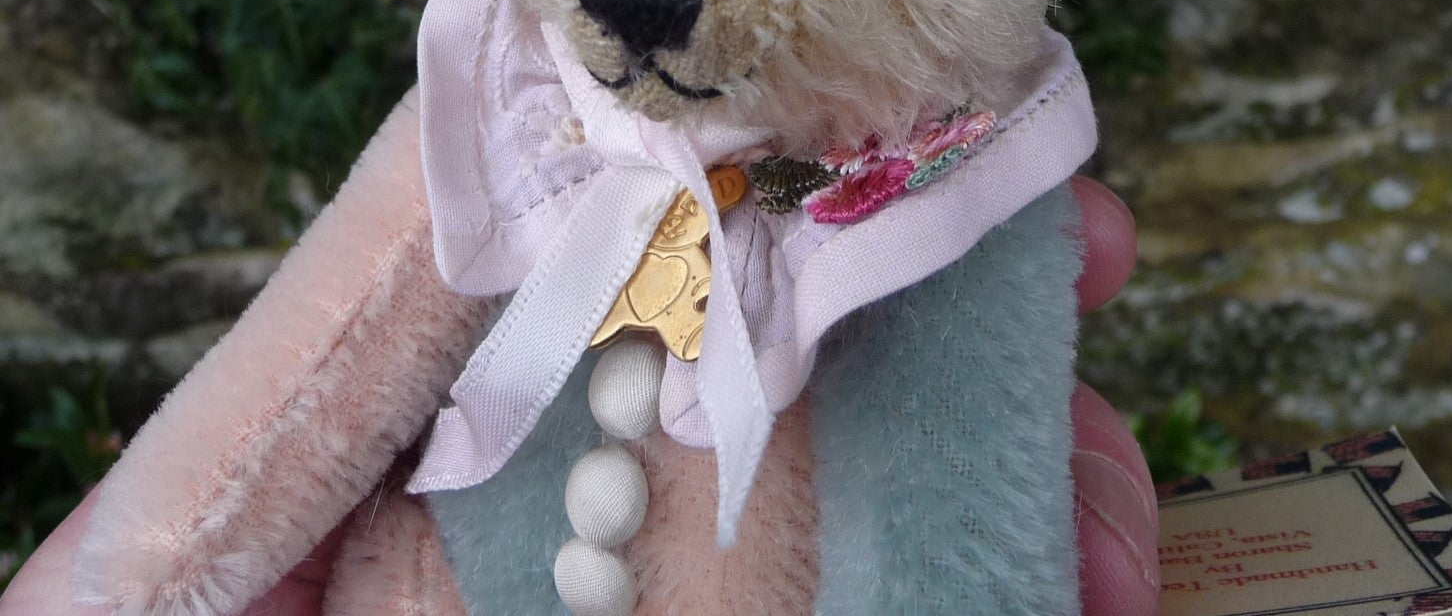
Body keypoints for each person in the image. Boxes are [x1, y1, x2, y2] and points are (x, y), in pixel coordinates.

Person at [1, 177, 1157, 616]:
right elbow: (332, 337)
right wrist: (171, 549)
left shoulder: (964, 179)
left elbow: (948, 518)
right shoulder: (517, 110)